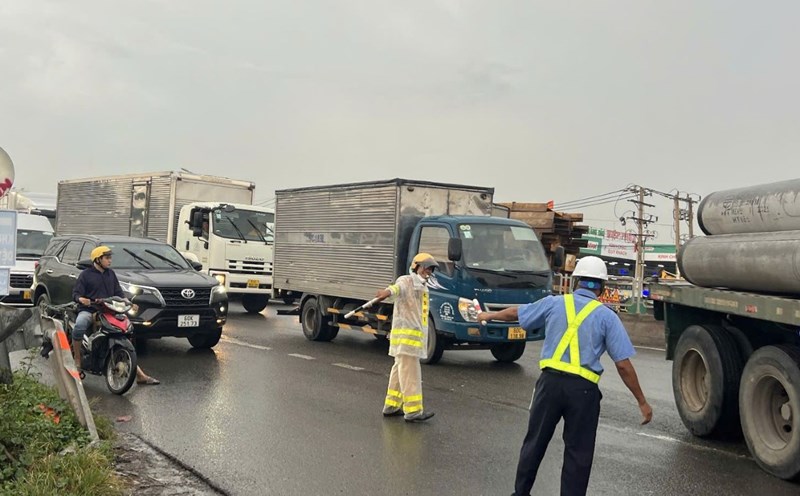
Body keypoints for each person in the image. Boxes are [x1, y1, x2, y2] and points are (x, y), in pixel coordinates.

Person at [477, 256, 652, 496]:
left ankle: (520, 493)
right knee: (578, 454)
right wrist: (641, 401)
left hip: (549, 385)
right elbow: (623, 365)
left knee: (535, 443)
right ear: (602, 288)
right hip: (584, 392)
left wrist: (489, 316)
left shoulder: (554, 303)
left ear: (575, 281)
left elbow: (517, 313)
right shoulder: (607, 317)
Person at [72, 246, 160, 385]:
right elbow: (76, 294)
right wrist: (81, 299)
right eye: (107, 258)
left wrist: (129, 303)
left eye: (110, 258)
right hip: (91, 310)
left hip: (109, 310)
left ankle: (140, 375)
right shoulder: (86, 275)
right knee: (79, 325)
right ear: (98, 259)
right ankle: (77, 359)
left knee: (125, 330)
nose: (110, 260)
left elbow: (119, 293)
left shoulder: (110, 274)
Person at [372, 252, 438, 423]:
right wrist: (385, 293)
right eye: (425, 268)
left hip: (411, 340)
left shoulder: (423, 287)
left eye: (430, 269)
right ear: (416, 267)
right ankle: (413, 411)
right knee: (411, 374)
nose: (428, 272)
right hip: (406, 339)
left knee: (399, 370)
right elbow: (395, 289)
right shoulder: (407, 280)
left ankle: (391, 406)